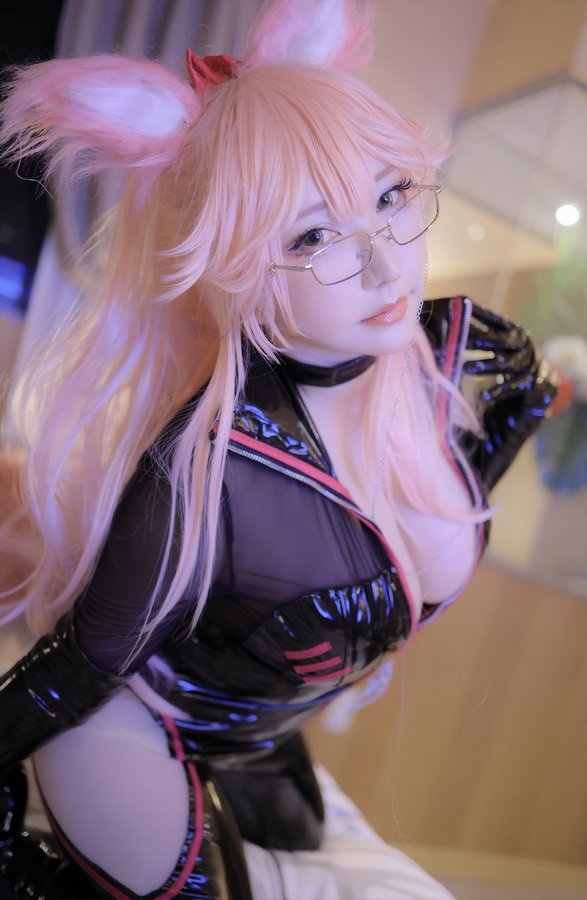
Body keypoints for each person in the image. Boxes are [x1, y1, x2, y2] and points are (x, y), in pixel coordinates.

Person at [0, 0, 557, 897]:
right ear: (229, 269)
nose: (384, 265)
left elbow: (449, 499)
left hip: (263, 746)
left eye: (390, 195)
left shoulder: (464, 351)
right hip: (131, 729)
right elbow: (76, 671)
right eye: (312, 236)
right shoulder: (209, 474)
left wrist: (498, 440)